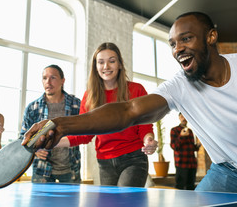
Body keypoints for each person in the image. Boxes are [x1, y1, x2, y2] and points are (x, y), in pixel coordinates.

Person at [23, 12, 237, 197]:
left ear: (211, 36)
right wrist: (60, 124)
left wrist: (147, 137)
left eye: (186, 39)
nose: (177, 49)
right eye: (172, 43)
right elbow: (129, 111)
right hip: (229, 174)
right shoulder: (179, 86)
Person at [45, 43, 157, 187]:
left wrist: (149, 140)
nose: (106, 67)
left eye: (112, 61)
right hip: (105, 162)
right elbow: (83, 135)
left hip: (133, 158)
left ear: (120, 64)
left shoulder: (136, 90)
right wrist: (51, 142)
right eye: (101, 62)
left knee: (124, 201)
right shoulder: (90, 96)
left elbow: (144, 125)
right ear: (95, 66)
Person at [20, 64, 81, 183]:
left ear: (62, 81)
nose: (48, 82)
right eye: (44, 78)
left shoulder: (77, 105)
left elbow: (85, 132)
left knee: (72, 202)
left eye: (53, 77)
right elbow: (22, 138)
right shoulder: (33, 108)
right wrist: (35, 151)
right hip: (42, 171)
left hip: (71, 169)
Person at [170, 113, 201, 190]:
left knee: (191, 187)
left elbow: (191, 147)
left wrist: (198, 145)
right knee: (179, 187)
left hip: (192, 164)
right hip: (181, 163)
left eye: (185, 116)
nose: (184, 118)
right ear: (179, 118)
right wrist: (181, 136)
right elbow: (174, 146)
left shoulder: (190, 131)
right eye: (182, 116)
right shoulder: (174, 130)